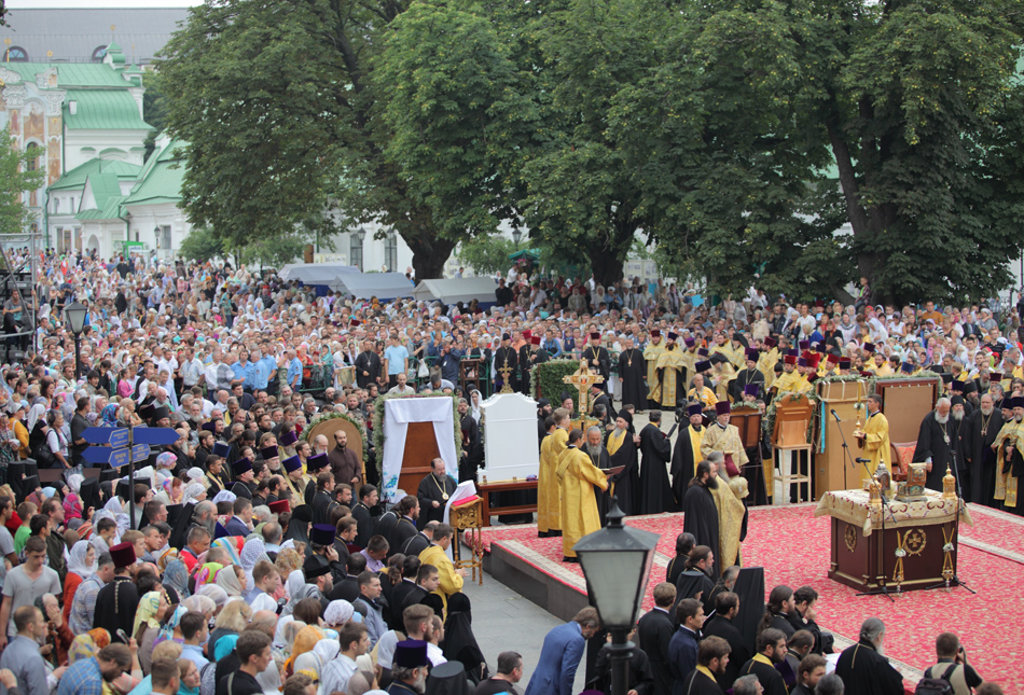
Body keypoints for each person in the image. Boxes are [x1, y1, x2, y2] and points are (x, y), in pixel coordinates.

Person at [555, 429, 608, 562]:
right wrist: (603, 481)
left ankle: (570, 551)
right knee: (583, 522)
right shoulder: (580, 456)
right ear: (578, 440)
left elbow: (558, 473)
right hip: (580, 494)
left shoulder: (563, 454)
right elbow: (591, 472)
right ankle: (583, 550)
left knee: (571, 523)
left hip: (568, 493)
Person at [523, 607, 600, 695]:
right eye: (594, 631)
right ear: (588, 626)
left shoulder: (557, 629)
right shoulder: (577, 640)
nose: (592, 635)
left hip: (536, 685)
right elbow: (567, 673)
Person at [0, 535, 60, 648]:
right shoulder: (12, 575)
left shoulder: (52, 575)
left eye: (43, 556)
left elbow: (54, 606)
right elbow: (6, 604)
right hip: (16, 631)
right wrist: (2, 634)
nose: (40, 561)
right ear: (27, 554)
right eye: (36, 557)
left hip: (41, 632)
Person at [834, 617, 903, 695]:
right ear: (879, 636)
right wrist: (894, 674)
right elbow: (894, 689)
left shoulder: (845, 653)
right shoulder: (878, 661)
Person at [0, 605, 58, 695]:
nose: (44, 625)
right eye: (41, 621)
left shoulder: (7, 651)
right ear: (31, 627)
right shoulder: (33, 658)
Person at [961, 392, 1002, 506]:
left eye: (987, 403)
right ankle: (976, 503)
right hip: (976, 454)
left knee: (989, 480)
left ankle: (989, 504)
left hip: (991, 456)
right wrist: (968, 454)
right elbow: (967, 436)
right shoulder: (974, 415)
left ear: (993, 403)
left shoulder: (999, 415)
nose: (985, 405)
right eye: (983, 402)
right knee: (976, 481)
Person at [701, 592, 748, 691]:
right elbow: (742, 658)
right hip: (727, 681)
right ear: (731, 610)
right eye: (738, 606)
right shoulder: (732, 632)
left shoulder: (709, 625)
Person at [913, 397, 962, 491]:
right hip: (934, 459)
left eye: (947, 411)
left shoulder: (950, 419)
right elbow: (924, 442)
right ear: (937, 407)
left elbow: (955, 440)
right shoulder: (929, 420)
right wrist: (928, 459)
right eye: (943, 411)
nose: (944, 414)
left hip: (948, 459)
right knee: (935, 485)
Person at [417, 524, 467, 613]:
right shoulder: (441, 559)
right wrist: (459, 575)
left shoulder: (425, 551)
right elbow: (452, 586)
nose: (450, 542)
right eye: (450, 539)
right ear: (444, 539)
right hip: (436, 600)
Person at [681, 461, 720, 574]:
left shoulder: (703, 489)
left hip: (709, 538)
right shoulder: (695, 492)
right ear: (705, 474)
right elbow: (695, 523)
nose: (716, 475)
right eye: (714, 472)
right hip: (703, 540)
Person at [637, 583, 676, 695]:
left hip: (646, 668)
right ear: (673, 600)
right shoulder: (664, 624)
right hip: (660, 674)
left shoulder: (645, 618)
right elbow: (667, 653)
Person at [537, 409, 570, 537]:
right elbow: (564, 455)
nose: (569, 420)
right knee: (556, 502)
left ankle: (546, 528)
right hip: (555, 474)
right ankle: (556, 528)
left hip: (547, 474)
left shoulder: (547, 438)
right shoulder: (560, 435)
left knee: (548, 502)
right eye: (568, 418)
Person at [57, 642, 132, 695]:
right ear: (112, 662)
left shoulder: (82, 663)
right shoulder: (93, 683)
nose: (120, 675)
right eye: (121, 670)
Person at [700, 402, 749, 481]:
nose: (726, 418)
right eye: (724, 415)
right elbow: (704, 448)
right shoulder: (710, 431)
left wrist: (741, 463)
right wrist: (718, 454)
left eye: (728, 415)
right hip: (719, 465)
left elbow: (739, 446)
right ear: (718, 417)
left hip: (734, 464)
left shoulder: (734, 429)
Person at [319, 622, 371, 695]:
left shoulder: (329, 665)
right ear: (354, 645)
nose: (368, 643)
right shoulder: (348, 676)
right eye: (364, 640)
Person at [638, 411, 673, 514]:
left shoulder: (645, 429)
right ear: (659, 419)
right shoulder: (655, 431)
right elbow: (661, 448)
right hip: (656, 464)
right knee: (655, 487)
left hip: (646, 462)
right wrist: (667, 442)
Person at [671, 404, 706, 504]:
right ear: (690, 419)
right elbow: (678, 453)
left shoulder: (706, 432)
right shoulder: (684, 433)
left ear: (701, 418)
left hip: (704, 469)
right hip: (688, 470)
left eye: (698, 416)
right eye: (694, 416)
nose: (696, 418)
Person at [667, 598, 704, 694]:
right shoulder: (686, 645)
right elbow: (689, 676)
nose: (703, 618)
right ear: (690, 619)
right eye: (700, 615)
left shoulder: (680, 637)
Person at [220, 629, 272, 695]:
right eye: (267, 654)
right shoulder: (253, 690)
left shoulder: (226, 680)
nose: (271, 658)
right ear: (254, 658)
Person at [737, 628, 788, 695]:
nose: (785, 650)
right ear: (769, 648)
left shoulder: (747, 666)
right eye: (781, 646)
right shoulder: (774, 676)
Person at [854, 393, 890, 486]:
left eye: (870, 402)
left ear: (877, 404)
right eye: (867, 402)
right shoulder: (869, 418)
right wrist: (860, 435)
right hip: (868, 452)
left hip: (877, 454)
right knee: (866, 476)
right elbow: (865, 432)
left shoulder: (882, 419)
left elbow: (880, 437)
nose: (868, 404)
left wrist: (865, 436)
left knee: (875, 479)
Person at [416, 459, 456, 528]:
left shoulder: (450, 480)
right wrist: (431, 502)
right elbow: (420, 499)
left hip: (449, 516)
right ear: (432, 469)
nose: (442, 471)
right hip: (433, 518)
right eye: (439, 470)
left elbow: (456, 493)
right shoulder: (425, 482)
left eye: (443, 468)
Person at [618, 336, 647, 411]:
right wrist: (620, 376)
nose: (629, 344)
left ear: (633, 343)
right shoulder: (623, 354)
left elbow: (643, 364)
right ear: (625, 344)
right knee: (628, 392)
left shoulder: (638, 353)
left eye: (630, 343)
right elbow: (620, 366)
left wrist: (644, 374)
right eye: (627, 343)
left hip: (637, 376)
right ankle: (627, 408)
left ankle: (639, 407)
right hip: (626, 377)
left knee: (638, 391)